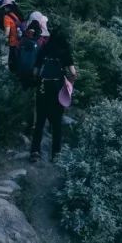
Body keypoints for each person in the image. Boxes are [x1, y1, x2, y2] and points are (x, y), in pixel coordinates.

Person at [30, 21, 76, 163]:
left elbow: (35, 72)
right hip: (57, 89)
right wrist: (69, 84)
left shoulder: (44, 49)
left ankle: (35, 152)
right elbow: (73, 73)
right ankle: (55, 155)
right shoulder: (65, 51)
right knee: (56, 123)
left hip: (43, 88)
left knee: (40, 122)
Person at [1, 1, 24, 72]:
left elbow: (7, 32)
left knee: (11, 61)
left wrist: (3, 39)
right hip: (19, 41)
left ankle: (12, 75)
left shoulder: (6, 17)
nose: (4, 8)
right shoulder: (14, 15)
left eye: (5, 7)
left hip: (12, 42)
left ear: (7, 7)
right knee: (17, 59)